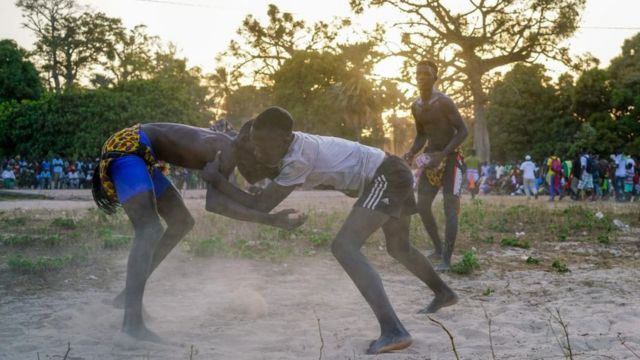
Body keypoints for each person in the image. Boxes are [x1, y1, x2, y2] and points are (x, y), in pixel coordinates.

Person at [203, 107, 459, 355]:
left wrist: (217, 181)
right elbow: (265, 193)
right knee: (399, 247)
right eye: (254, 145)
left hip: (386, 176)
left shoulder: (298, 159)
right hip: (392, 171)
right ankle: (443, 293)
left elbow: (261, 205)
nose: (258, 152)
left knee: (344, 247)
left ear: (284, 139)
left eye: (262, 144)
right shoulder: (292, 150)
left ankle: (394, 330)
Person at [92, 123, 305, 342]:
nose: (260, 156)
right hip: (128, 148)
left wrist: (264, 211)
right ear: (244, 140)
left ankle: (127, 296)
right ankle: (132, 323)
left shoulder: (228, 147)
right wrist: (270, 219)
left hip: (141, 154)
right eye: (258, 150)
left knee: (181, 221)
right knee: (149, 229)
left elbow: (226, 192)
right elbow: (214, 204)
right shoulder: (228, 150)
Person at [402, 60, 468, 271]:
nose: (421, 77)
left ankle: (446, 259)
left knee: (450, 208)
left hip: (452, 159)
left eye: (426, 74)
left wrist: (444, 154)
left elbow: (463, 131)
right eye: (418, 74)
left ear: (435, 78)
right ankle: (438, 249)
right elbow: (421, 135)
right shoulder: (416, 106)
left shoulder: (444, 102)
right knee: (422, 206)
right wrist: (412, 152)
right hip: (431, 160)